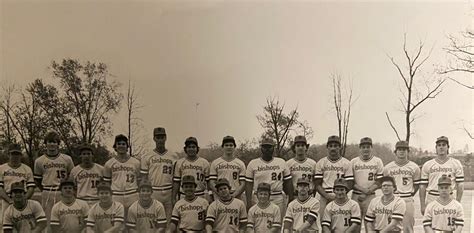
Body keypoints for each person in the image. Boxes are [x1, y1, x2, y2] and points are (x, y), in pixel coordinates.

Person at [34, 130, 74, 231]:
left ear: (58, 144)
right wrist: (45, 189)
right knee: (49, 219)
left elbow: (72, 176)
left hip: (63, 191)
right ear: (46, 143)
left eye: (54, 142)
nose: (52, 144)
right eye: (49, 142)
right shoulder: (39, 161)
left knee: (65, 217)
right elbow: (37, 180)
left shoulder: (67, 159)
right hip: (48, 191)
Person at [246, 138, 293, 217]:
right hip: (259, 197)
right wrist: (248, 202)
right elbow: (248, 184)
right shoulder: (253, 163)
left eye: (269, 147)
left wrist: (291, 199)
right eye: (265, 147)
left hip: (277, 196)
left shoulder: (281, 162)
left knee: (277, 224)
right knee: (259, 223)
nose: (267, 149)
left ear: (273, 148)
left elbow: (288, 181)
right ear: (261, 148)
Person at [140, 127, 177, 223]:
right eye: (158, 137)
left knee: (168, 221)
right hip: (154, 191)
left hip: (168, 191)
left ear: (165, 138)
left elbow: (176, 178)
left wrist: (174, 196)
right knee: (153, 221)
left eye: (162, 137)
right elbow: (144, 178)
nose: (160, 140)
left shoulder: (173, 156)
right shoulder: (147, 156)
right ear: (154, 139)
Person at [420, 136, 464, 215]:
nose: (441, 147)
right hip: (432, 197)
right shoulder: (428, 164)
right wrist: (422, 205)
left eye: (444, 145)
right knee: (431, 225)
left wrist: (458, 202)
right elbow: (422, 186)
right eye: (439, 145)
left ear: (448, 147)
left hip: (449, 197)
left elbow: (460, 185)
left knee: (449, 226)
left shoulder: (455, 163)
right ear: (436, 148)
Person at [383, 141, 421, 233]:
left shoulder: (414, 167)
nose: (402, 152)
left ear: (408, 151)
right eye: (399, 149)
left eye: (404, 149)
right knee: (391, 228)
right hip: (393, 199)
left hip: (407, 198)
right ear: (395, 152)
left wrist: (410, 194)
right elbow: (385, 184)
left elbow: (416, 184)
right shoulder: (388, 167)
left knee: (408, 228)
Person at [348, 137, 383, 230]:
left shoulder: (377, 161)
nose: (366, 149)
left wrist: (367, 191)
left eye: (368, 147)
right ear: (360, 148)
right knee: (355, 224)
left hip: (371, 196)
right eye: (363, 147)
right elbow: (350, 182)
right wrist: (363, 191)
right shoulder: (353, 161)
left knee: (370, 224)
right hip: (356, 196)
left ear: (371, 148)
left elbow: (379, 181)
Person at [314, 135, 352, 223]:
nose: (333, 148)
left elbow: (350, 183)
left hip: (341, 195)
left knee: (340, 223)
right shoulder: (321, 162)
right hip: (324, 195)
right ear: (327, 147)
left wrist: (339, 195)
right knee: (324, 223)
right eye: (330, 146)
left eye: (336, 146)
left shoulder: (346, 163)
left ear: (340, 147)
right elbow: (317, 184)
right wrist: (326, 196)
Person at [0, 143, 35, 229]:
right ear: (8, 154)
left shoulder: (27, 169)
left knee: (24, 226)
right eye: (13, 154)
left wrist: (23, 200)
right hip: (7, 200)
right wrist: (10, 200)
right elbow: (0, 188)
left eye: (17, 154)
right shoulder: (2, 168)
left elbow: (31, 187)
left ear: (21, 155)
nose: (15, 156)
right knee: (6, 226)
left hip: (23, 201)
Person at [103, 134, 140, 214]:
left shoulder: (136, 162)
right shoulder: (109, 163)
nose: (121, 146)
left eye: (123, 144)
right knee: (118, 221)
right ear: (115, 147)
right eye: (119, 144)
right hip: (116, 195)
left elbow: (140, 180)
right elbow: (106, 183)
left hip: (132, 194)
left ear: (127, 147)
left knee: (133, 220)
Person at [172, 137, 210, 204]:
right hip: (184, 195)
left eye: (193, 147)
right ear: (185, 149)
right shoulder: (180, 162)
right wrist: (173, 197)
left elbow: (208, 182)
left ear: (197, 149)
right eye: (189, 147)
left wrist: (210, 195)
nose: (191, 149)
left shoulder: (204, 162)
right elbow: (176, 182)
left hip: (200, 194)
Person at [209, 136, 246, 202]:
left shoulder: (240, 163)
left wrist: (234, 194)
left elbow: (243, 183)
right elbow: (211, 182)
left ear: (234, 147)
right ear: (222, 147)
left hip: (235, 194)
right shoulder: (215, 162)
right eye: (226, 145)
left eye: (231, 145)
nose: (229, 147)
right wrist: (221, 193)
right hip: (219, 194)